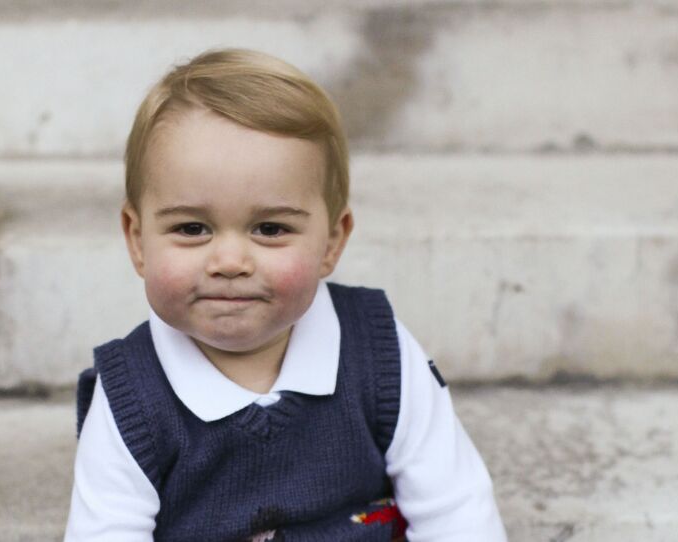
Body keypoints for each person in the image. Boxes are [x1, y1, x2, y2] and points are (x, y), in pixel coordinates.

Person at [64, 48, 507, 542]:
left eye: (270, 228)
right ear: (136, 238)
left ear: (332, 242)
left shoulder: (377, 351)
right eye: (192, 228)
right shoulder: (132, 395)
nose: (230, 262)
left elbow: (455, 505)